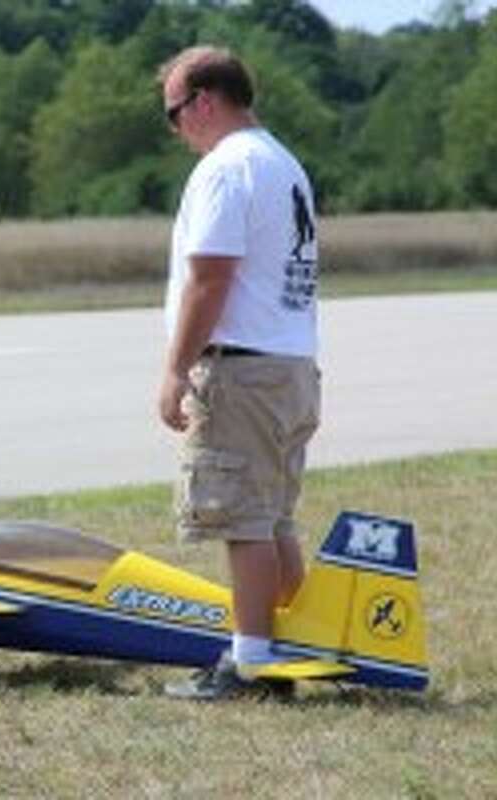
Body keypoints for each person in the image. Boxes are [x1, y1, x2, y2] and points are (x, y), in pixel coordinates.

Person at [154, 46, 321, 699]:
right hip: (291, 363)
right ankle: (286, 644)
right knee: (273, 516)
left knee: (241, 521)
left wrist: (174, 370)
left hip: (242, 370)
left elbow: (210, 277)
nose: (175, 132)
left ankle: (250, 664)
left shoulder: (226, 168)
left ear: (203, 101)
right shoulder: (282, 162)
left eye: (173, 114)